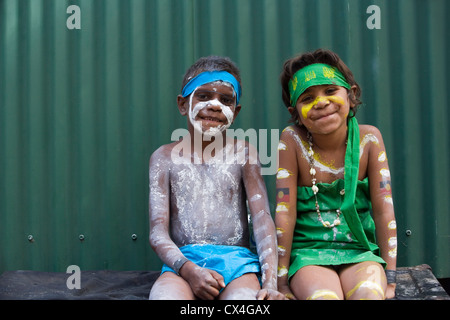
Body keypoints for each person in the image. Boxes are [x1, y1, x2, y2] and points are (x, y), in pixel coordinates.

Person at [148, 56, 284, 300]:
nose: (214, 105)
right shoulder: (164, 157)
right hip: (183, 264)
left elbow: (263, 221)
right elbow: (158, 232)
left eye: (226, 100)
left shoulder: (245, 154)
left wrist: (271, 284)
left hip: (239, 265)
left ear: (236, 110)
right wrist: (188, 270)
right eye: (203, 96)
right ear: (182, 104)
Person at [275, 49, 397, 300]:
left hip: (360, 252)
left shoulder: (369, 139)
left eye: (330, 91)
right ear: (295, 111)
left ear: (351, 95)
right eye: (307, 98)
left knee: (370, 295)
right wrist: (281, 280)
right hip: (309, 255)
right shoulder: (292, 141)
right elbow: (284, 213)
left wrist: (391, 280)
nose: (321, 102)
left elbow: (384, 211)